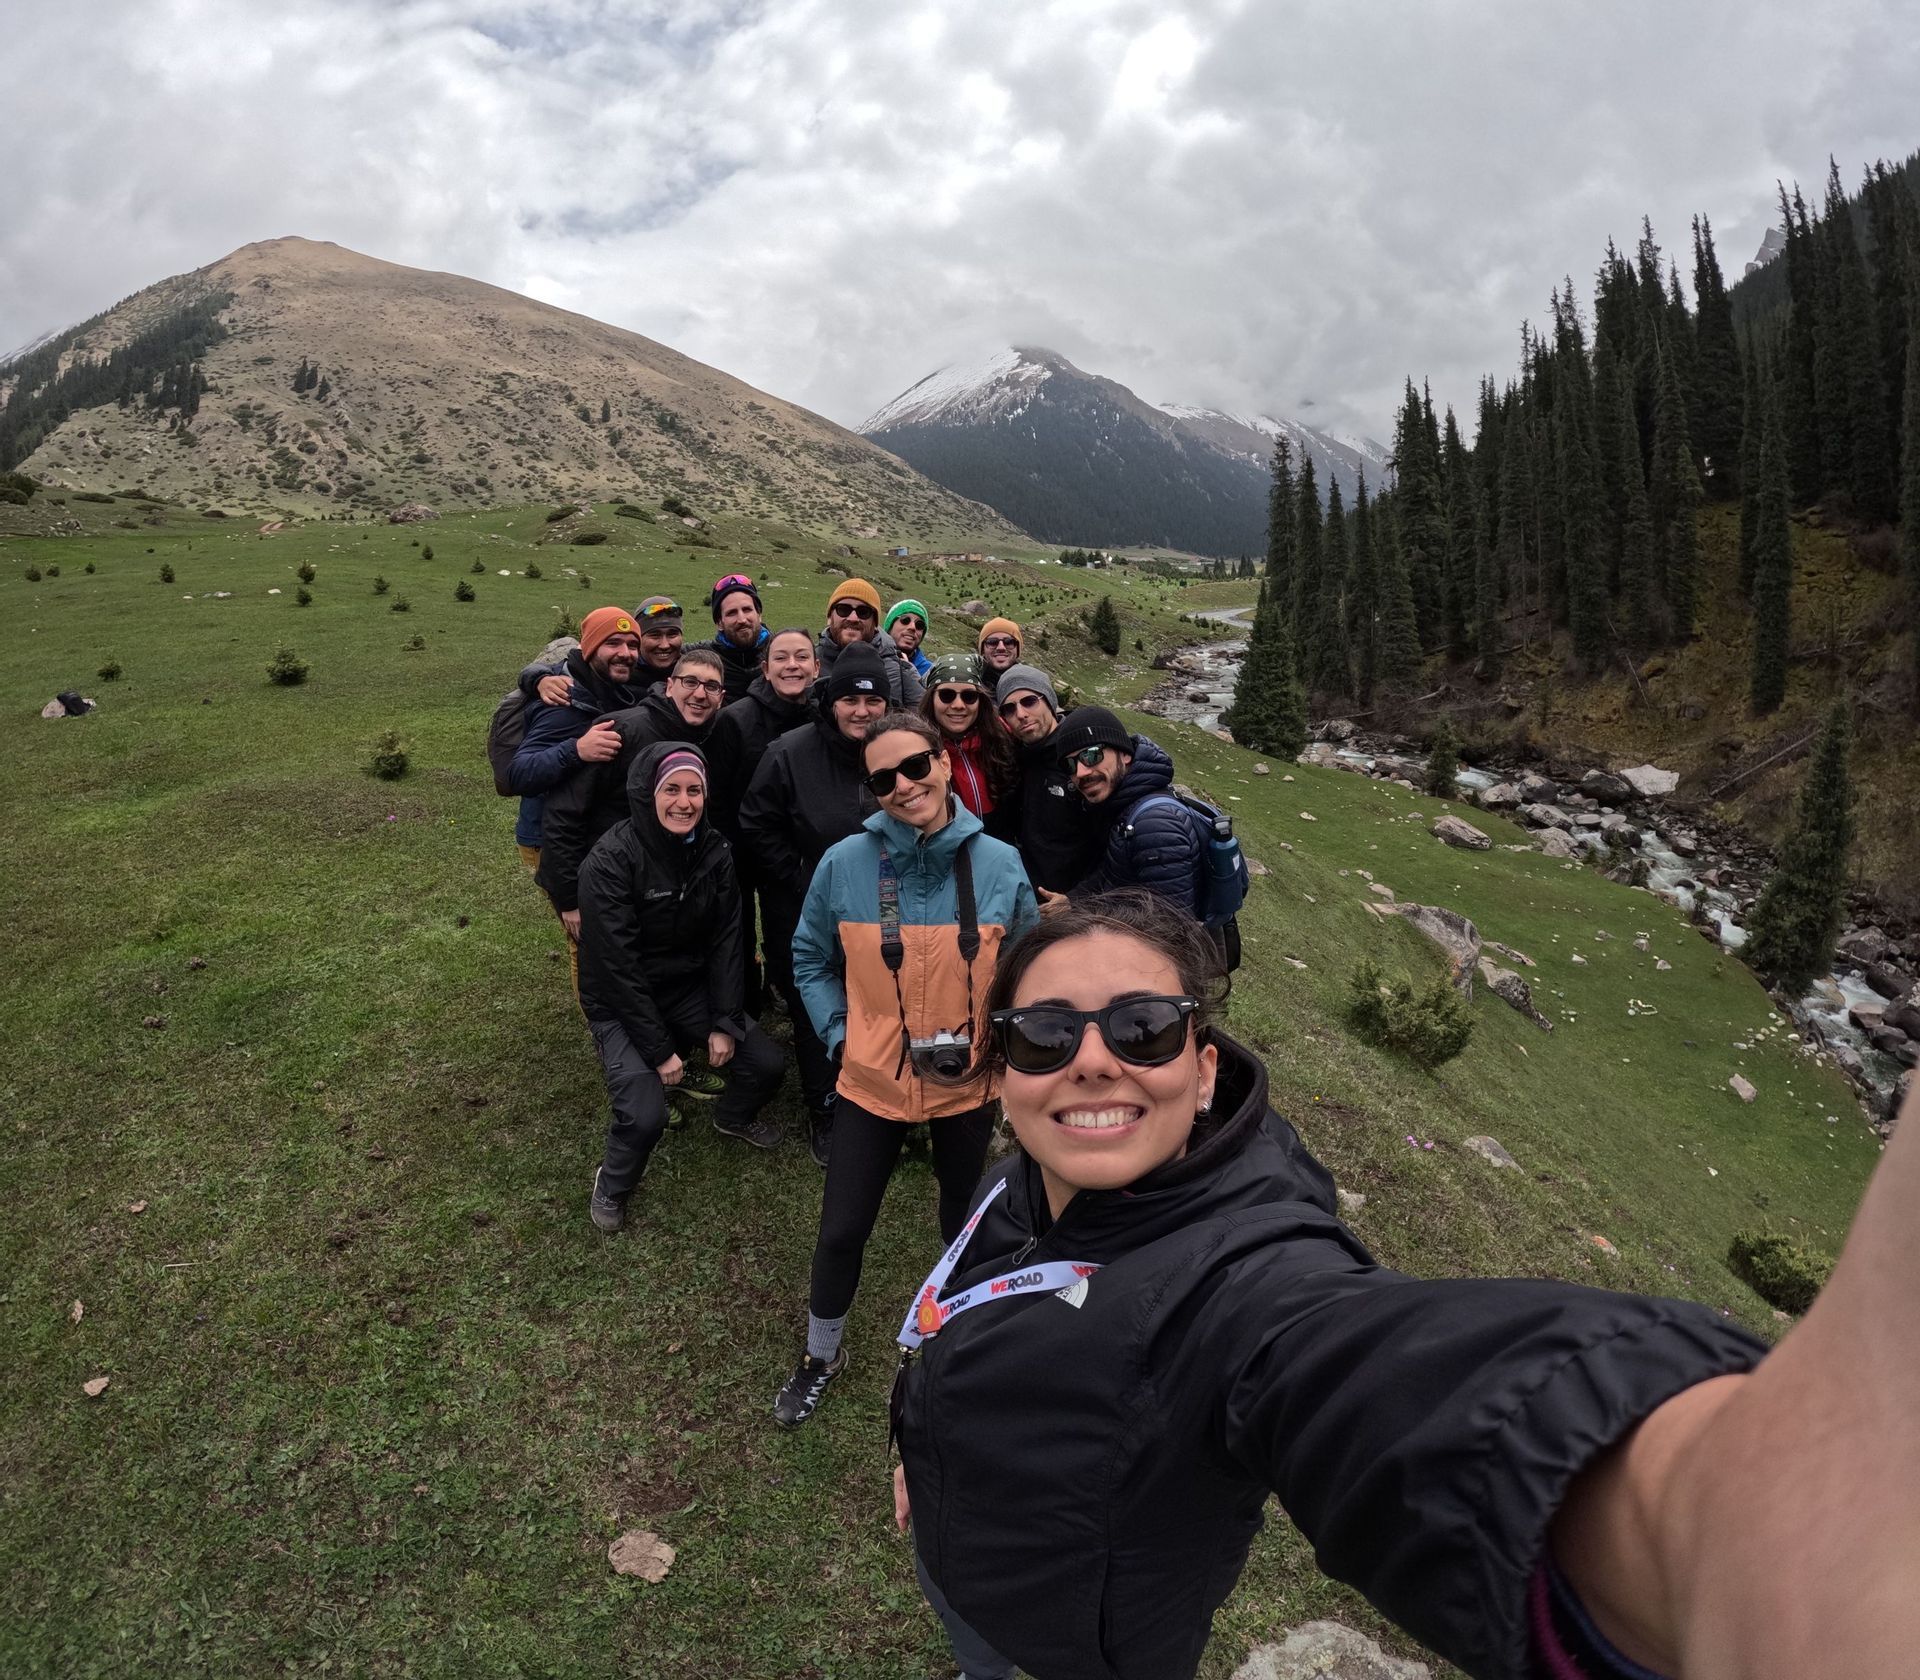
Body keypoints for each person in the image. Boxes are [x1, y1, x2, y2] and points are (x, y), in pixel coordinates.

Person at [893, 890, 1920, 1680]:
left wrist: (1708, 1523)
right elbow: (974, 1302)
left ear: (1204, 1069)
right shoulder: (1027, 1171)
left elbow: (1360, 1372)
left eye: (1144, 1029)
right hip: (953, 1550)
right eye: (1043, 1035)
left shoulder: (1248, 1280)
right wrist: (921, 1444)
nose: (1090, 1063)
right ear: (1007, 1068)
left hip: (1083, 1644)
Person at [773, 712, 1038, 1426]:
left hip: (967, 1085)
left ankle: (960, 1342)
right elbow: (807, 958)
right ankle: (821, 1355)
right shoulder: (844, 864)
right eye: (882, 778)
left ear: (945, 762)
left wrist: (1010, 1053)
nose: (903, 786)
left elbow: (1031, 972)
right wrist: (839, 1035)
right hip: (871, 1081)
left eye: (916, 766)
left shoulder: (1001, 865)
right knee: (840, 1231)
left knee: (963, 1224)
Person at [578, 743, 788, 1234]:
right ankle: (612, 1182)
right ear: (647, 793)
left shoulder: (714, 851)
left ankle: (732, 1117)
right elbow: (616, 966)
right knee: (645, 1115)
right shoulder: (609, 861)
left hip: (686, 988)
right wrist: (659, 1051)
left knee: (765, 1063)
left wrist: (724, 1019)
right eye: (671, 789)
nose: (684, 802)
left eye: (695, 790)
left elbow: (726, 942)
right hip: (619, 1000)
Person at [738, 641, 889, 1163]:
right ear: (831, 701)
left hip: (882, 910)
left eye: (874, 702)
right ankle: (825, 1108)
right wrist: (805, 879)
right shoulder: (789, 753)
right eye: (851, 700)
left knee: (878, 997)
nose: (862, 712)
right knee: (813, 1005)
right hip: (802, 908)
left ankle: (877, 1091)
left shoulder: (895, 755)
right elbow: (756, 825)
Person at [537, 648, 727, 941]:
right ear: (669, 686)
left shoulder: (713, 735)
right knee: (597, 960)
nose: (700, 694)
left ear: (721, 697)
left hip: (664, 888)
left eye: (711, 686)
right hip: (605, 878)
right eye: (690, 682)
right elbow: (564, 811)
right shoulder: (620, 732)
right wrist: (570, 897)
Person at [705, 627, 820, 1013]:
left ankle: (785, 990)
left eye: (802, 657)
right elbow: (717, 795)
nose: (792, 665)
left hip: (790, 853)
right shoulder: (735, 720)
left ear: (816, 667)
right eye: (782, 657)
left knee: (786, 931)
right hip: (737, 849)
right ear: (765, 668)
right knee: (735, 934)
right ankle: (742, 1006)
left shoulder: (822, 715)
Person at [506, 606, 644, 869]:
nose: (625, 653)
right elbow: (518, 774)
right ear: (590, 648)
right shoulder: (562, 698)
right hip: (549, 840)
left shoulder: (609, 687)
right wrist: (577, 749)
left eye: (632, 645)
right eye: (613, 643)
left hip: (584, 832)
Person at [1052, 704, 1199, 917]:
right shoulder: (1121, 808)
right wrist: (1072, 902)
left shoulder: (1153, 825)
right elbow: (1114, 873)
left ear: (1125, 754)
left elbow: (1169, 928)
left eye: (1091, 755)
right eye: (1070, 765)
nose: (1081, 772)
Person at [994, 664, 1100, 899]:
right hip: (1030, 902)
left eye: (1029, 701)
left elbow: (1112, 845)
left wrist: (1077, 899)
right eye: (1009, 709)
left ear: (1049, 702)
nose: (1021, 714)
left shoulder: (1083, 757)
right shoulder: (1013, 759)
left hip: (1080, 908)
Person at [918, 652, 1017, 841]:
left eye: (969, 696)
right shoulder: (918, 751)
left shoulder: (1002, 741)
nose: (958, 705)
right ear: (931, 698)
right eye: (947, 695)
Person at [815, 578, 925, 708]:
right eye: (843, 609)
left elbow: (925, 716)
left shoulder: (900, 669)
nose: (853, 618)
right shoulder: (807, 664)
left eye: (863, 612)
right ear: (829, 617)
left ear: (875, 623)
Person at [703, 573, 769, 705]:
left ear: (759, 614)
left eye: (747, 609)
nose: (742, 619)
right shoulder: (703, 656)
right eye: (731, 613)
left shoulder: (782, 653)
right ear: (719, 623)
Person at [884, 598, 932, 679]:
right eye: (905, 620)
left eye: (919, 625)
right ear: (890, 626)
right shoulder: (869, 658)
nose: (912, 627)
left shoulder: (929, 672)